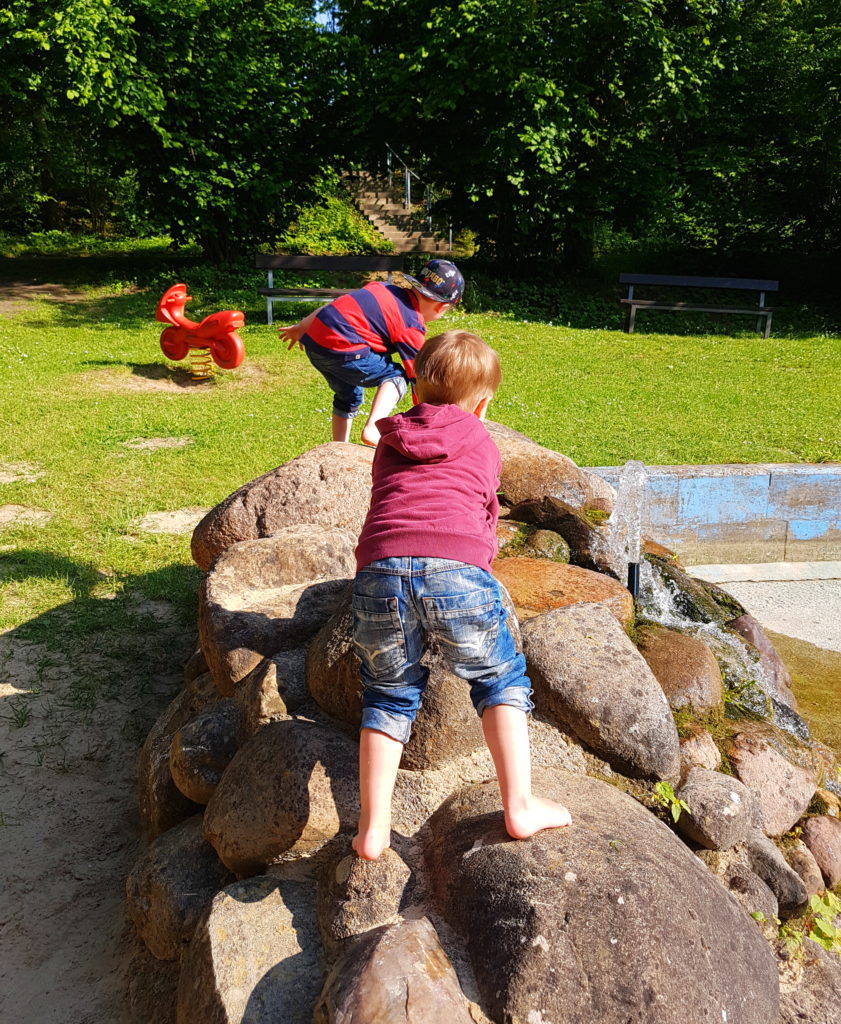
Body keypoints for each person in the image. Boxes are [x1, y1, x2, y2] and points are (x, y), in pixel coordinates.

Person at [351, 329, 572, 860]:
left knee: (387, 695)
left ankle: (373, 829)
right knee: (500, 678)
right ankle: (518, 804)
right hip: (456, 571)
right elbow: (484, 512)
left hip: (379, 572)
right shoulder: (481, 439)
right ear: (484, 403)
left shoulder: (389, 438)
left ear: (415, 387)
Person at [278, 259, 464, 447]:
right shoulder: (411, 324)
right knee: (397, 376)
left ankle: (338, 447)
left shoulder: (383, 288)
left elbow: (334, 305)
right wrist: (427, 412)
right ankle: (373, 428)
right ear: (443, 307)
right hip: (346, 347)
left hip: (316, 345)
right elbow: (418, 377)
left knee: (348, 395)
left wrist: (301, 327)